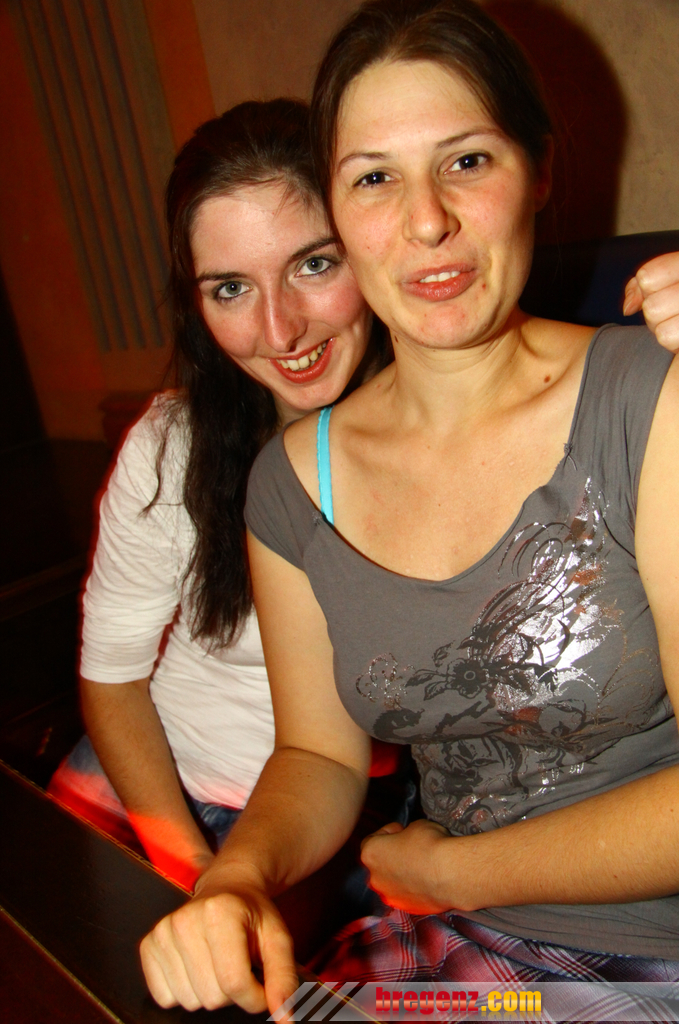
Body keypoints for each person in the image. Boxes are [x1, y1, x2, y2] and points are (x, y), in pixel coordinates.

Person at [138, 0, 679, 1014]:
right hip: (451, 945)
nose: (426, 220)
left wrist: (451, 873)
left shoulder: (650, 396)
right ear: (336, 214)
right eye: (374, 178)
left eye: (466, 160)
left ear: (537, 170)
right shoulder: (293, 482)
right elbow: (315, 754)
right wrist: (234, 881)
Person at [48, 98, 387, 891]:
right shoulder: (174, 448)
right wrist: (196, 873)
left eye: (313, 265)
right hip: (150, 796)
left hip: (322, 828)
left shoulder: (450, 437)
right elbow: (114, 680)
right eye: (231, 287)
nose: (280, 330)